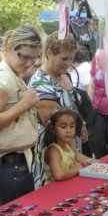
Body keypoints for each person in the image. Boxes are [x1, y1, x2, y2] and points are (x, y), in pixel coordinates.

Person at [0, 25, 42, 205]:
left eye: (34, 58)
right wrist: (25, 104)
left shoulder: (11, 74)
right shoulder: (2, 78)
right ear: (9, 46)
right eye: (24, 56)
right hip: (7, 164)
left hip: (11, 163)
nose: (29, 63)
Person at [29, 32, 84, 188]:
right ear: (49, 53)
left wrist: (81, 124)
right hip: (57, 153)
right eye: (64, 58)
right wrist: (76, 153)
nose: (68, 63)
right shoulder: (42, 82)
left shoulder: (65, 74)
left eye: (71, 58)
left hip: (69, 148)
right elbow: (52, 127)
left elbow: (70, 107)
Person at [43, 108, 95, 183]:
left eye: (72, 126)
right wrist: (76, 169)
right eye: (63, 127)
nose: (68, 130)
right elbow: (58, 175)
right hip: (55, 190)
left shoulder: (68, 144)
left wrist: (87, 161)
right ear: (53, 129)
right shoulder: (54, 150)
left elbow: (81, 158)